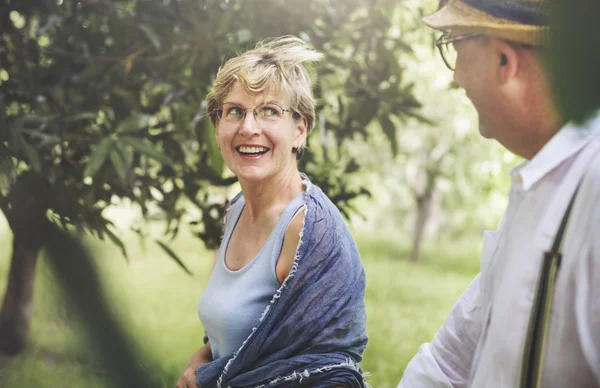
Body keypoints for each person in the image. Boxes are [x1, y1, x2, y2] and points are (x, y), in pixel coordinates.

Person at [398, 0, 600, 387]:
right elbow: (451, 360)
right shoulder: (539, 181)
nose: (457, 76)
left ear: (505, 61)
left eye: (455, 46)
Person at [176, 36, 368, 388]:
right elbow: (238, 336)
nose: (249, 127)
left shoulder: (309, 230)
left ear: (299, 130)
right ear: (218, 126)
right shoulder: (235, 210)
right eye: (234, 111)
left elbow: (329, 368)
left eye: (269, 111)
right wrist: (199, 361)